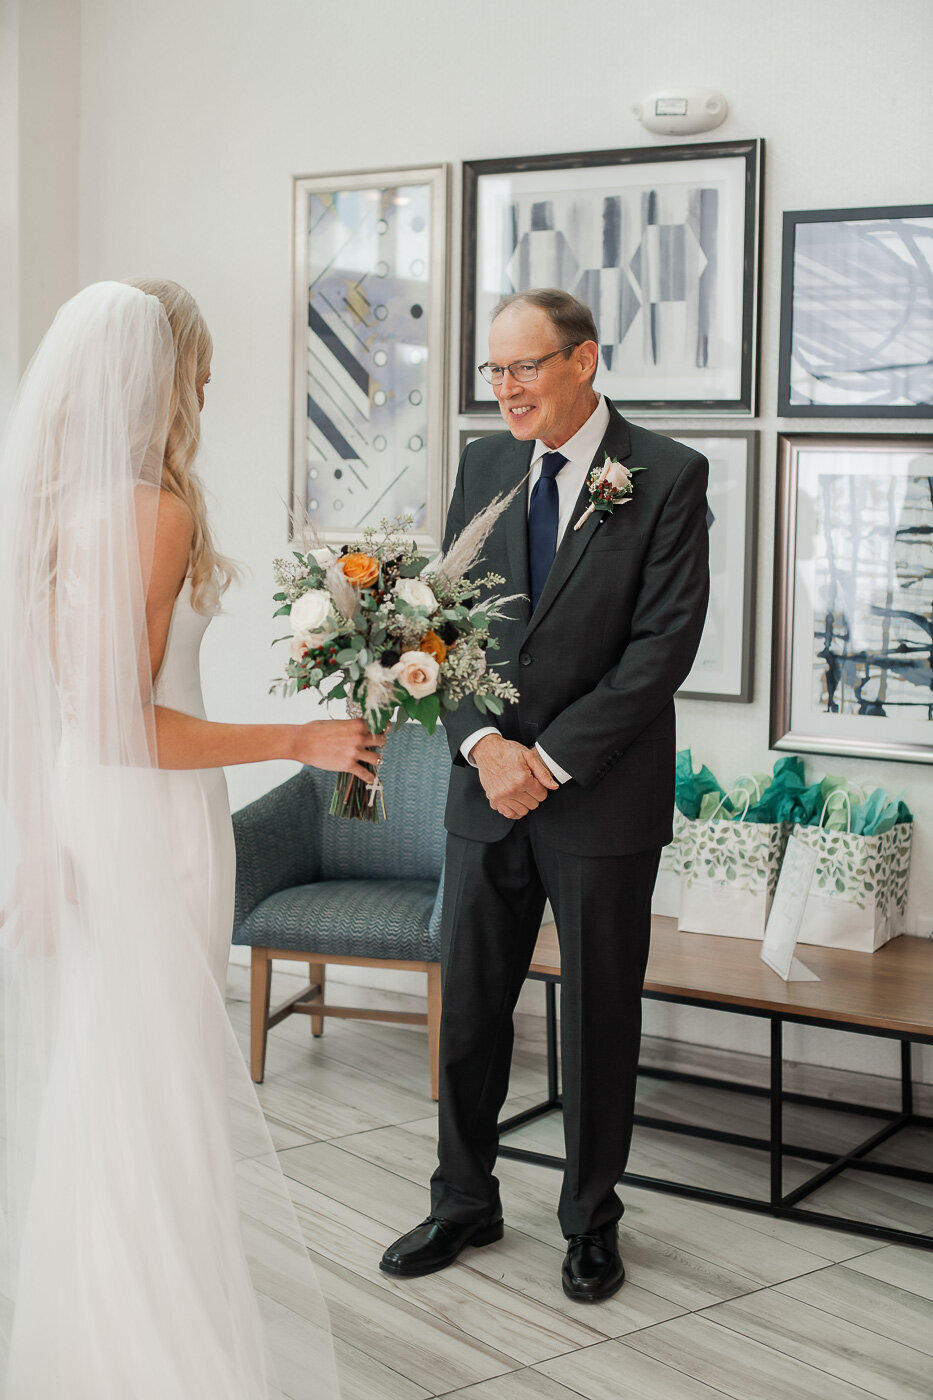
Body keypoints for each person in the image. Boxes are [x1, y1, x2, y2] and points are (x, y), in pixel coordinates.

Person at [0, 279, 381, 1396]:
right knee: (156, 1081)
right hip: (145, 815)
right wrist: (299, 736)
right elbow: (126, 724)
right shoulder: (151, 511)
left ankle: (98, 1335)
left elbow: (65, 714)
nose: (210, 386)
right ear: (160, 381)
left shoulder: (58, 504)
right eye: (200, 368)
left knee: (113, 1076)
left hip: (90, 805)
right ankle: (157, 1354)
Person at [380, 288, 709, 1302]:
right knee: (473, 1002)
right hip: (486, 786)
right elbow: (437, 627)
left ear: (584, 360)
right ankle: (462, 1198)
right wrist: (481, 744)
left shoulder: (667, 475)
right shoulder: (483, 464)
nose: (506, 388)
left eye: (523, 367)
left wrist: (547, 760)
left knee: (600, 1015)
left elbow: (660, 650)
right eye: (494, 370)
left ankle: (590, 1219)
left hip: (598, 797)